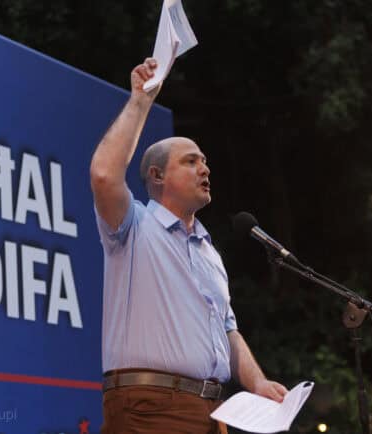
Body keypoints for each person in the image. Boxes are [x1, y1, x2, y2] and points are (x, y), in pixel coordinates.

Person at [90, 58, 288, 434]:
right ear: (157, 175)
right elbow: (103, 174)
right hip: (150, 409)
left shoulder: (209, 252)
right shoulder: (133, 226)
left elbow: (228, 331)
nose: (205, 169)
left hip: (214, 411)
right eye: (191, 161)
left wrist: (258, 383)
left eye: (205, 162)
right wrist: (140, 100)